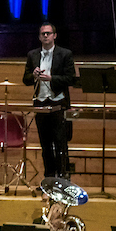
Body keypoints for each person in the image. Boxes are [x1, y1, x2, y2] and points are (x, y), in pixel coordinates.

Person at [21, 21, 75, 177]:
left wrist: (51, 78)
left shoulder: (65, 54)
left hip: (58, 103)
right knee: (45, 145)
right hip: (40, 103)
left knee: (60, 144)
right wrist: (34, 75)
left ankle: (63, 177)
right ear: (39, 37)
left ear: (55, 36)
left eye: (48, 33)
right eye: (43, 34)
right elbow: (25, 79)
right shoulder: (32, 55)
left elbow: (70, 79)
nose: (45, 36)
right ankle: (49, 178)